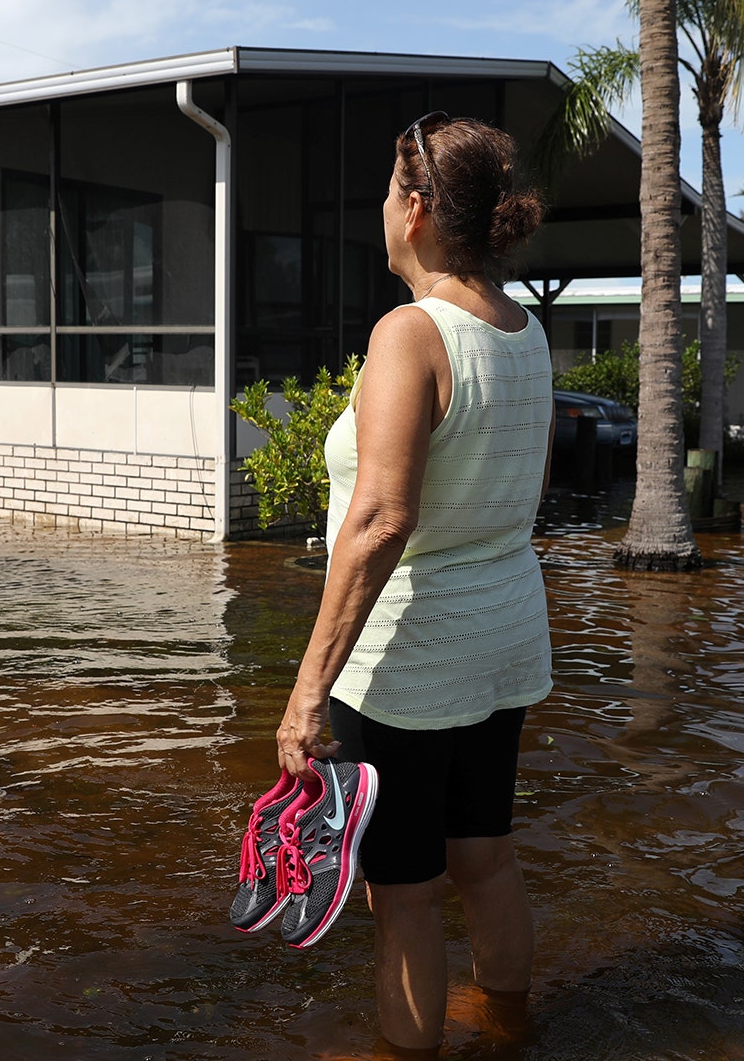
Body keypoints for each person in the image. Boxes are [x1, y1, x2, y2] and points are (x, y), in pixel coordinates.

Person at [274, 112, 552, 1054]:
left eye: (392, 192)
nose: (383, 211)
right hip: (504, 637)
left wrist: (307, 692)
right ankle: (508, 1031)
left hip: (408, 662)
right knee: (486, 857)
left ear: (421, 209)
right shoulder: (525, 330)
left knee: (402, 896)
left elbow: (381, 518)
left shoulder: (411, 334)